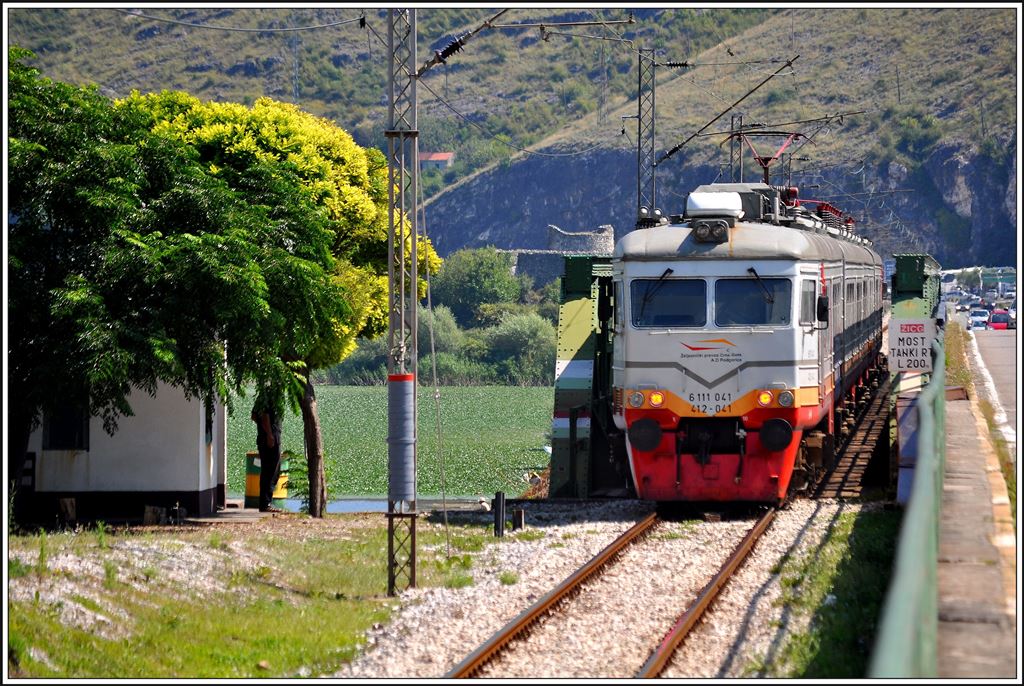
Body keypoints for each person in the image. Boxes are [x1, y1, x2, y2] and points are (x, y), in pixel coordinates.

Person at [251, 388, 284, 513]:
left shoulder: (262, 397)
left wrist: (262, 428)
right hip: (271, 439)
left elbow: (254, 416)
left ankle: (265, 503)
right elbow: (264, 416)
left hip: (266, 438)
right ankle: (266, 504)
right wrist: (269, 434)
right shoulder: (270, 397)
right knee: (271, 472)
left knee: (268, 471)